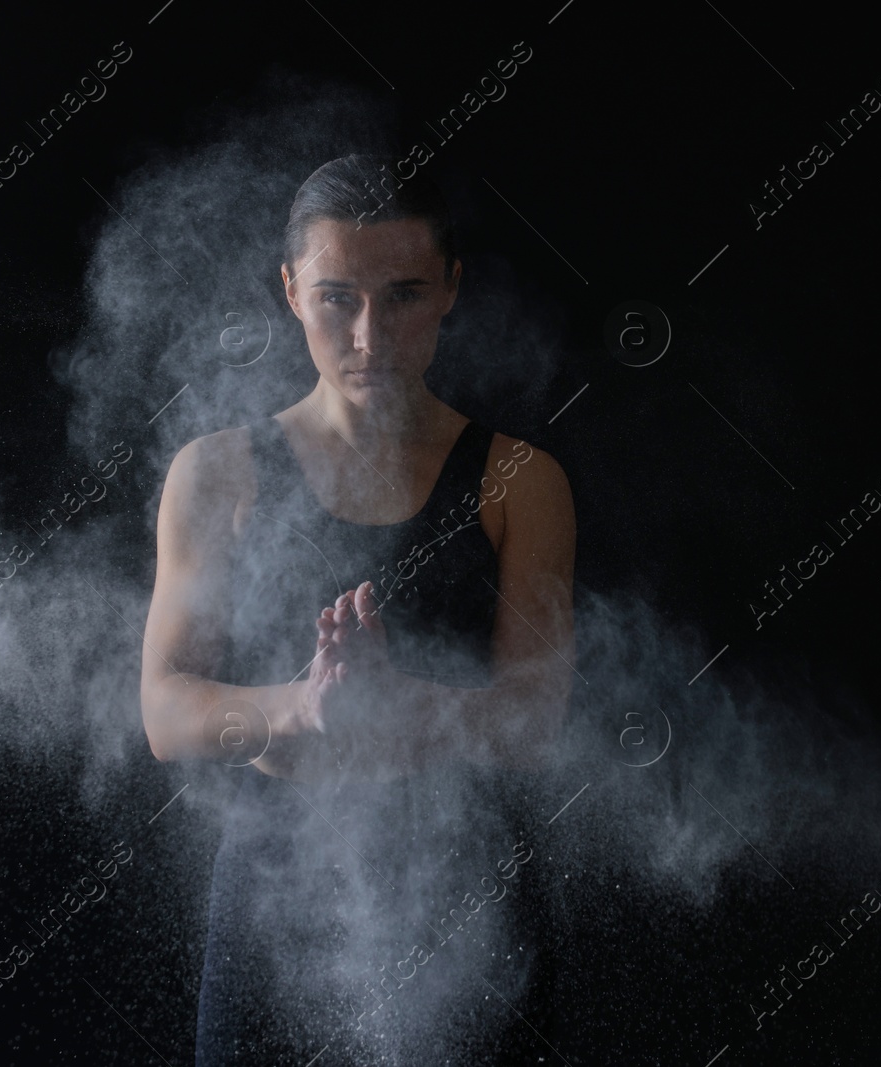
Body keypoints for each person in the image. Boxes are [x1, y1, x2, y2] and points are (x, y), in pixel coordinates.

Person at [139, 154, 576, 1064]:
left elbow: (535, 720)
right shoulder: (216, 473)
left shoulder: (518, 480)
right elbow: (166, 710)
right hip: (271, 873)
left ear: (452, 288)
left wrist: (419, 709)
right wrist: (303, 707)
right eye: (339, 297)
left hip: (468, 881)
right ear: (292, 290)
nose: (371, 333)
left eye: (405, 294)